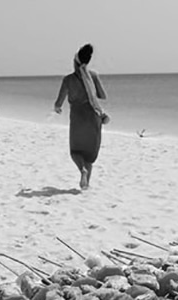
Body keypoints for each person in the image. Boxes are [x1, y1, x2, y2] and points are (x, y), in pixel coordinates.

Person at [53, 43, 109, 190]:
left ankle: (82, 171)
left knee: (75, 151)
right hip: (94, 116)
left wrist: (57, 108)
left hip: (78, 117)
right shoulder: (93, 76)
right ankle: (86, 185)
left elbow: (59, 102)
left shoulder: (68, 80)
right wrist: (90, 90)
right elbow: (103, 96)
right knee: (89, 154)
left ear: (74, 62)